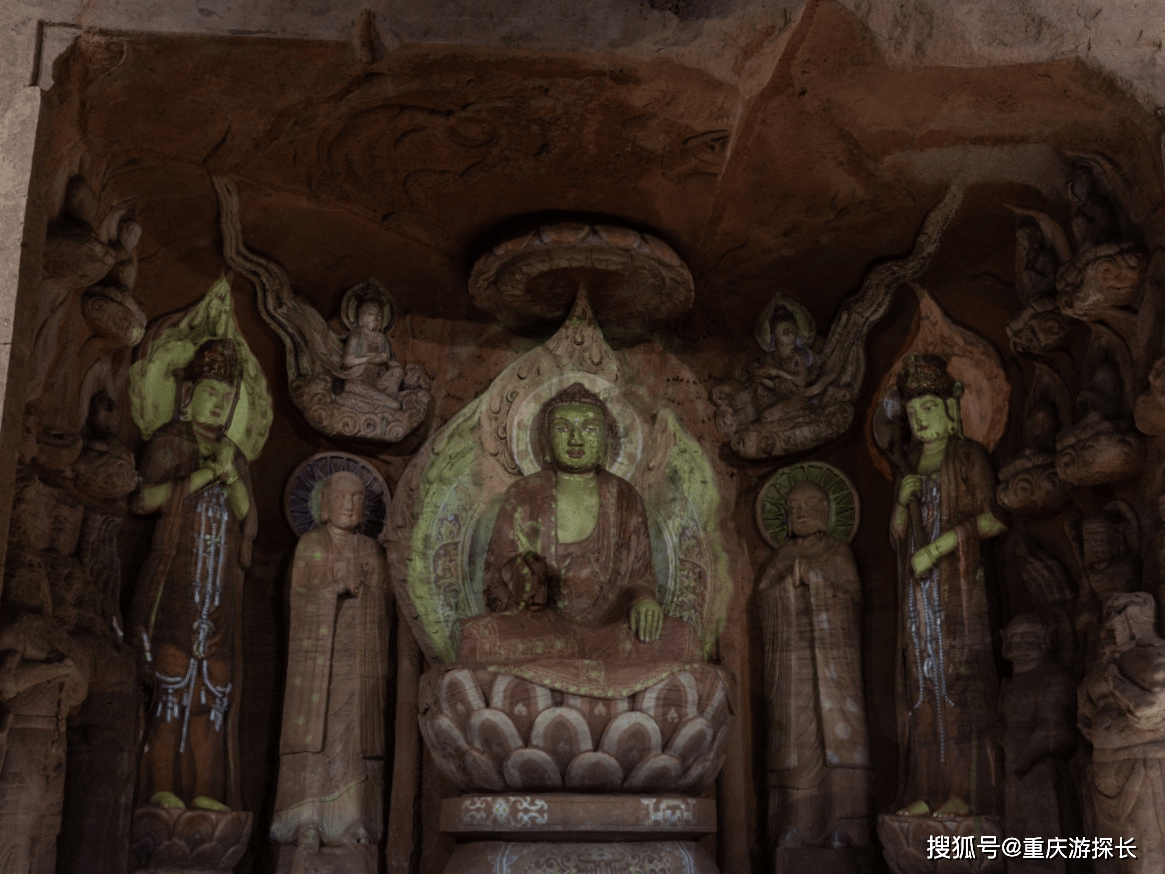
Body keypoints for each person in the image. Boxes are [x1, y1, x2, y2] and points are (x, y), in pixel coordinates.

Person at [457, 383, 701, 672]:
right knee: (473, 639)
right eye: (562, 428)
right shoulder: (524, 493)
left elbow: (639, 576)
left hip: (611, 632)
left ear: (606, 441)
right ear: (545, 443)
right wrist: (527, 574)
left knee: (684, 639)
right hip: (541, 631)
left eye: (589, 428)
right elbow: (497, 575)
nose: (575, 439)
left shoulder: (623, 496)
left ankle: (557, 673)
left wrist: (643, 600)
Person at [129, 338, 255, 811]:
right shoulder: (169, 441)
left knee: (213, 701)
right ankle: (158, 785)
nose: (219, 405)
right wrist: (202, 477)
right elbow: (140, 501)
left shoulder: (234, 457)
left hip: (219, 599)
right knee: (168, 693)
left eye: (228, 398)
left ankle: (206, 789)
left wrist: (229, 475)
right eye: (211, 393)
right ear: (188, 396)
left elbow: (248, 520)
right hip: (175, 592)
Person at [890, 353, 1006, 817]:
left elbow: (995, 518)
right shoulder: (909, 467)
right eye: (914, 413)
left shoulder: (968, 456)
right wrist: (900, 504)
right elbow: (896, 538)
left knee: (962, 685)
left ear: (950, 409)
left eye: (929, 408)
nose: (921, 420)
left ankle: (965, 790)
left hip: (960, 591)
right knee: (921, 688)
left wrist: (939, 549)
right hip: (918, 597)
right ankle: (926, 789)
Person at [270, 471, 388, 856]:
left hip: (359, 662)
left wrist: (365, 592)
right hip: (315, 666)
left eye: (358, 499)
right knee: (313, 739)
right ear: (324, 504)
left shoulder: (371, 550)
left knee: (354, 738)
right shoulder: (310, 545)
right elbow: (298, 603)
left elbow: (383, 608)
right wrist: (333, 588)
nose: (351, 505)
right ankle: (306, 818)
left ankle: (353, 818)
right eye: (342, 498)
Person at [757, 479, 872, 849]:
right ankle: (795, 826)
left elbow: (851, 599)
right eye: (795, 507)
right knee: (793, 740)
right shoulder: (780, 557)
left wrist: (816, 580)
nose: (802, 513)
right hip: (793, 670)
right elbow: (765, 601)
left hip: (834, 669)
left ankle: (844, 826)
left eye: (810, 504)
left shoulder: (838, 552)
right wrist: (786, 589)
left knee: (838, 740)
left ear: (826, 512)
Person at [1078, 592, 1165, 874]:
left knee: (1144, 852)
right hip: (1104, 767)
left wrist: (1115, 678)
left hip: (1144, 765)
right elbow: (1084, 710)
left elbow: (1149, 707)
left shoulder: (1154, 656)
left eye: (1117, 615)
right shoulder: (1102, 665)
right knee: (1107, 853)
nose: (1109, 625)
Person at [341, 298, 404, 408]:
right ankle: (381, 403)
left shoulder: (382, 338)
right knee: (394, 405)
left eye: (379, 315)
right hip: (358, 382)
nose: (375, 318)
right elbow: (347, 361)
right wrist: (370, 358)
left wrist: (391, 362)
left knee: (397, 371)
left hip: (377, 383)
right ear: (361, 318)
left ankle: (370, 401)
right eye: (370, 314)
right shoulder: (357, 335)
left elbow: (388, 362)